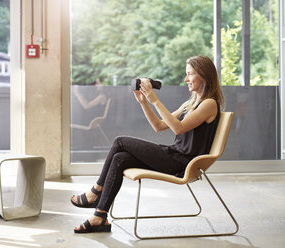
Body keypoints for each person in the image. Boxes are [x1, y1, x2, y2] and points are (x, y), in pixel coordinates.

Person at [71, 55, 225, 233]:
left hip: (183, 163)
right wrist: (144, 102)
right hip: (174, 155)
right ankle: (100, 216)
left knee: (120, 141)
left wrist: (155, 100)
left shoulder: (209, 104)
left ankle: (95, 192)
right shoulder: (190, 103)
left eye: (190, 74)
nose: (186, 79)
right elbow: (159, 126)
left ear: (204, 75)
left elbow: (178, 128)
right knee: (120, 158)